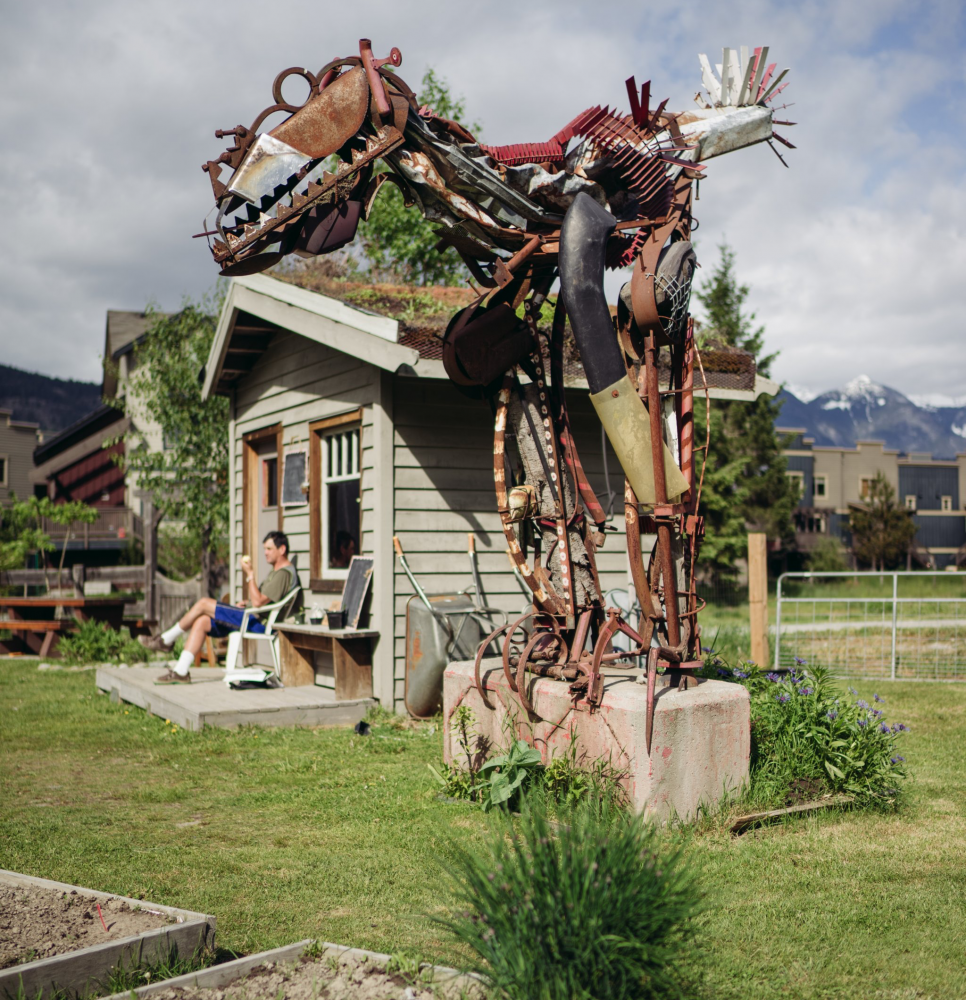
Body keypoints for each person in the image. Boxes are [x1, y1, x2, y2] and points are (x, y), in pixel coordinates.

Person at [143, 531, 301, 684]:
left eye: (269, 549)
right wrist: (247, 602)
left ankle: (166, 640)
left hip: (258, 623)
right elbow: (263, 601)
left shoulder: (283, 574)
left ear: (282, 549)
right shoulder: (277, 572)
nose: (265, 553)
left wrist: (250, 575)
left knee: (203, 603)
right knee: (202, 621)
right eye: (265, 549)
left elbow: (259, 602)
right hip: (253, 617)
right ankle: (181, 672)